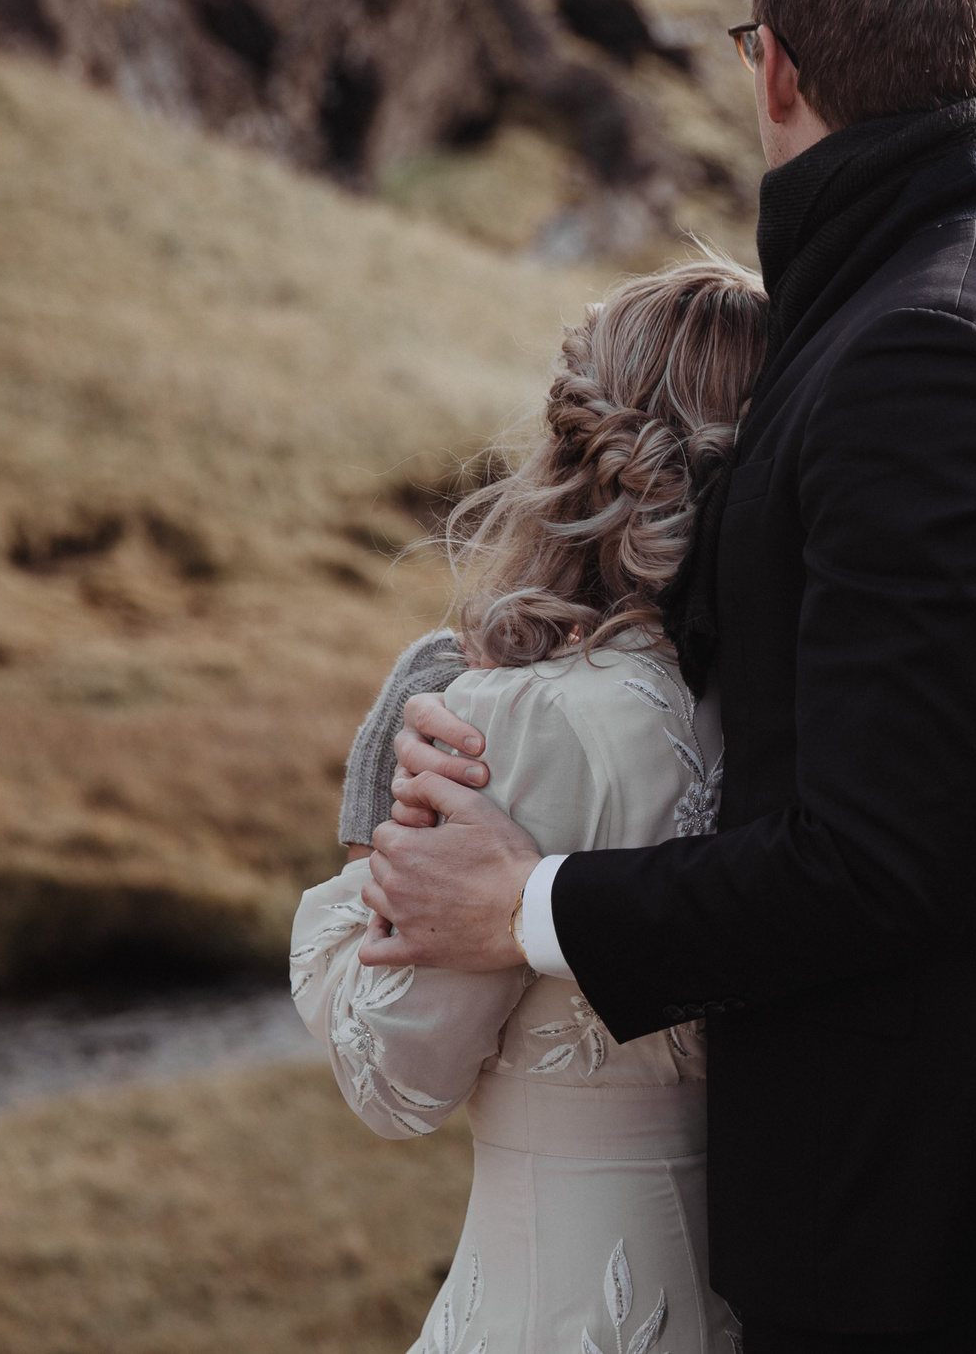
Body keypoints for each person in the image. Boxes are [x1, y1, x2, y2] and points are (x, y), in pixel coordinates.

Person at [359, 0, 976, 1351]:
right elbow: (862, 666)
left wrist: (524, 900)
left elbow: (883, 852)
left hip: (936, 1190)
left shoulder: (929, 350)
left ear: (780, 69)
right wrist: (466, 690)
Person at [296, 257, 766, 1354]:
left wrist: (363, 860)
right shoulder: (797, 714)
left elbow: (397, 1080)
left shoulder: (523, 722)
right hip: (758, 1290)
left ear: (573, 459)